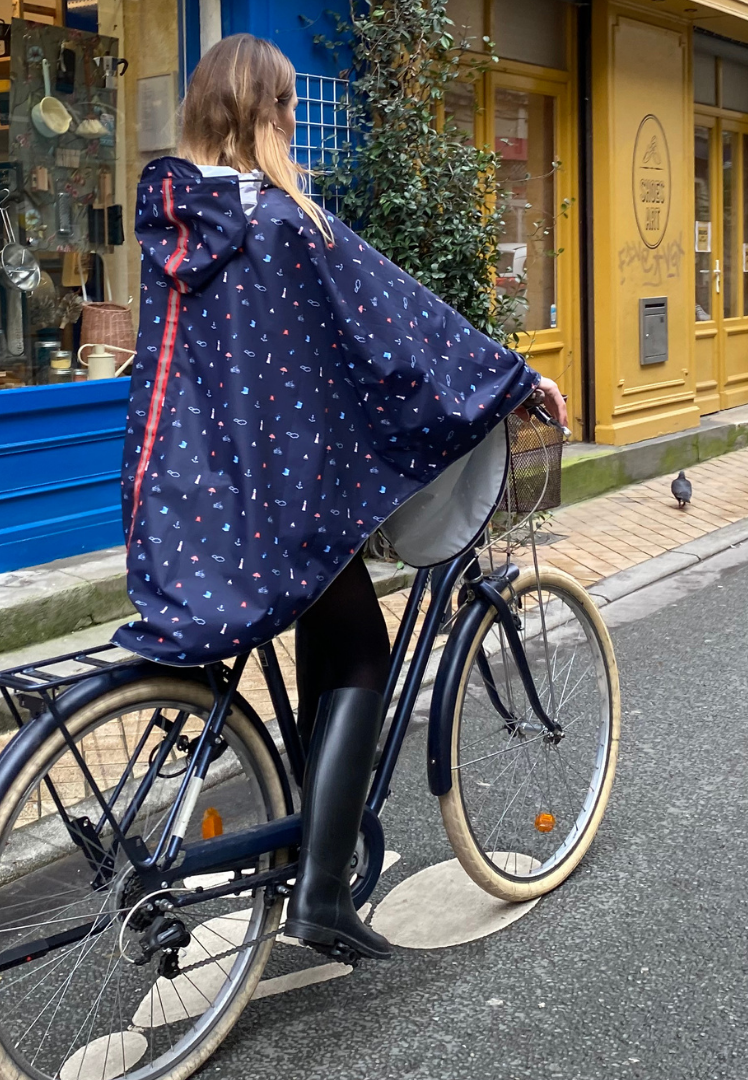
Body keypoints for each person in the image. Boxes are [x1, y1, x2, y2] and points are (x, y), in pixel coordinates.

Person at [113, 34, 567, 961]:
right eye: (285, 106)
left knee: (329, 617)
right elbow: (399, 327)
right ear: (264, 112)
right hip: (283, 501)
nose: (292, 121)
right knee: (362, 648)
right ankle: (321, 895)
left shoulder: (169, 227)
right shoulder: (285, 224)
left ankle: (306, 838)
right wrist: (513, 378)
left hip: (189, 504)